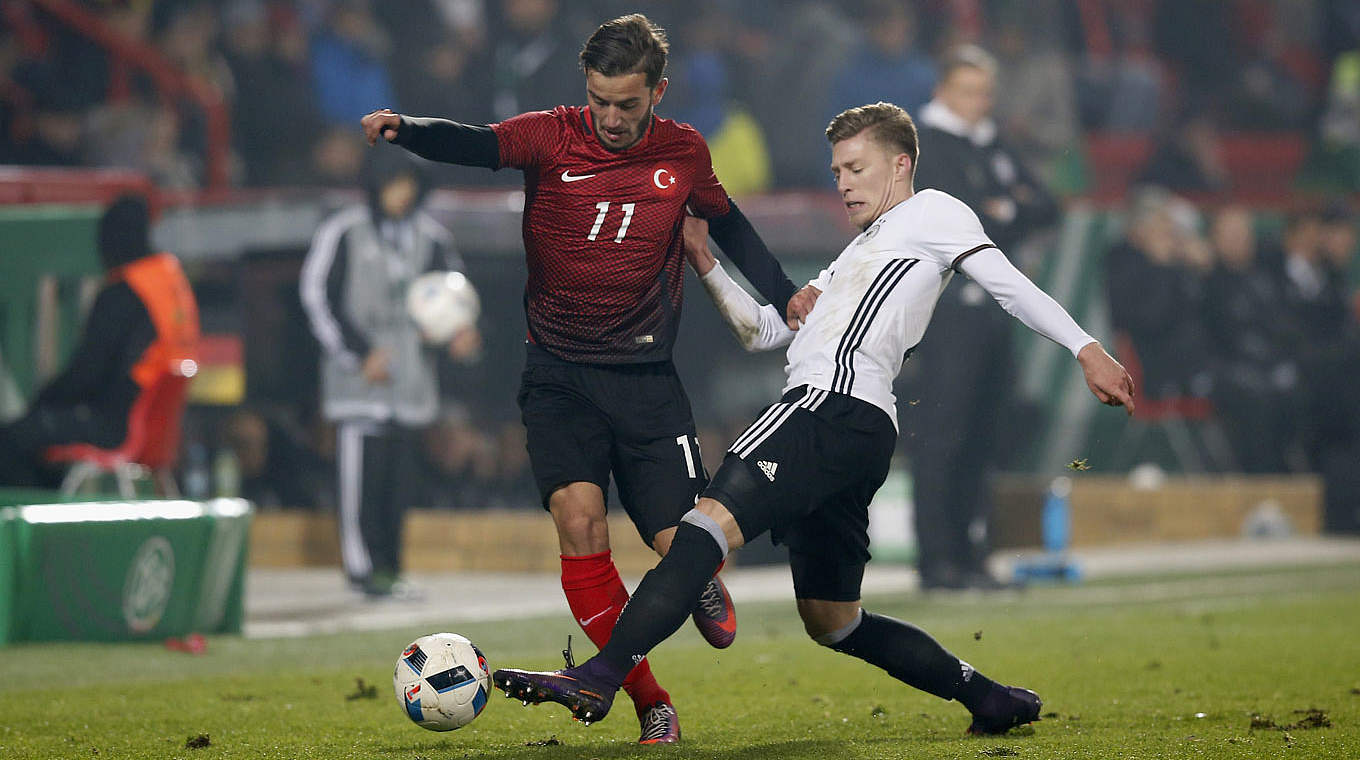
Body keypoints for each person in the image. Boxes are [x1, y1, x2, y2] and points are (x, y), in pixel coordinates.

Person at [491, 101, 1133, 737]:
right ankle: (987, 698)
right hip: (861, 430)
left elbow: (1005, 282)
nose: (844, 183)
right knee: (834, 621)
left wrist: (1086, 348)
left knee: (702, 527)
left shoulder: (932, 212)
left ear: (901, 163)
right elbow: (765, 331)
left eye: (856, 167)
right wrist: (706, 260)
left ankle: (600, 677)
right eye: (835, 172)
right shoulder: (858, 253)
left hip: (825, 407)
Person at [360, 13, 813, 744]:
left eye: (627, 104)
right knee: (579, 525)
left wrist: (784, 290)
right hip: (559, 376)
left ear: (658, 92)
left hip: (647, 380)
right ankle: (648, 701)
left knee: (678, 538)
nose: (609, 117)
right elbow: (477, 145)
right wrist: (409, 128)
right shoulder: (550, 133)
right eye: (599, 99)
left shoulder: (685, 153)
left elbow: (728, 225)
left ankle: (693, 569)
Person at [907, 45, 1060, 589]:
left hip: (992, 307)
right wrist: (1005, 206)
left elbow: (1047, 205)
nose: (980, 103)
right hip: (947, 309)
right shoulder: (925, 144)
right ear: (942, 91)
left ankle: (970, 555)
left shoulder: (991, 140)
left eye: (986, 93)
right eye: (969, 91)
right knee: (943, 433)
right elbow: (960, 220)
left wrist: (1004, 209)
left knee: (982, 433)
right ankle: (937, 560)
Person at [300, 148, 479, 598]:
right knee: (361, 482)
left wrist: (460, 333)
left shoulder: (432, 239)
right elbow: (318, 297)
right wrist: (358, 355)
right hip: (359, 387)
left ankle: (391, 567)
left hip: (411, 388)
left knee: (398, 484)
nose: (401, 194)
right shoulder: (344, 232)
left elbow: (455, 299)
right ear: (375, 184)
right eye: (393, 183)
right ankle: (363, 570)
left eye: (410, 185)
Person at [0, 195, 199, 487]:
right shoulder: (173, 285)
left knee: (11, 439)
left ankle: (41, 528)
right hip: (159, 433)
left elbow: (87, 373)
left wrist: (40, 406)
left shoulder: (125, 293)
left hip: (116, 427)